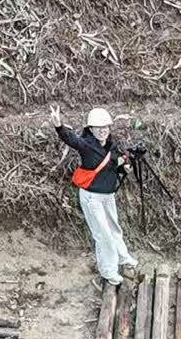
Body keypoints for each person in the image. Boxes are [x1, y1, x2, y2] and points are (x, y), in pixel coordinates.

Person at [51, 106, 139, 285]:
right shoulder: (86, 145)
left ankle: (123, 257)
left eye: (105, 127)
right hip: (92, 197)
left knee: (114, 228)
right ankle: (109, 271)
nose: (102, 131)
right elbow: (72, 139)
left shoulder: (112, 146)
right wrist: (59, 126)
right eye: (98, 128)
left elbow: (116, 165)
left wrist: (125, 167)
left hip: (107, 195)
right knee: (103, 234)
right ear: (90, 129)